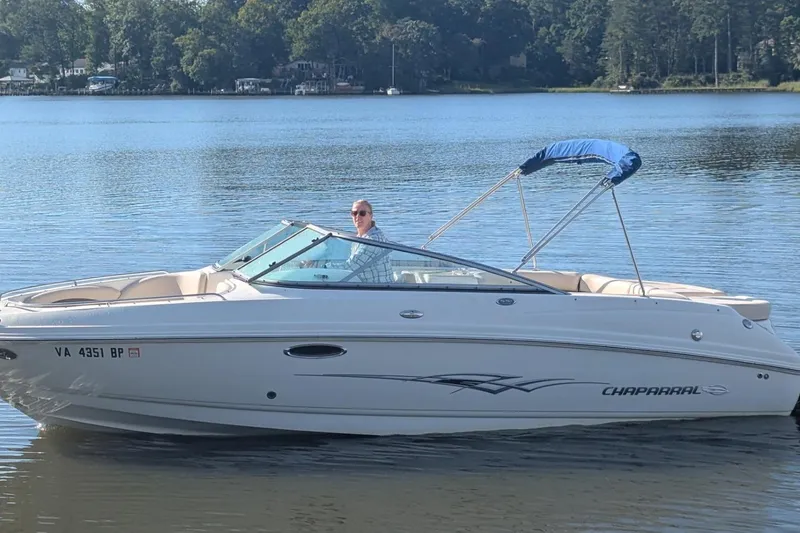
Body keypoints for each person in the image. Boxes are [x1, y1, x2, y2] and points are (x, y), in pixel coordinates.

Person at [344, 199, 393, 283]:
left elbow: (350, 266)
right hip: (366, 287)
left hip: (378, 290)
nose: (357, 216)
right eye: (354, 213)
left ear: (371, 216)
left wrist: (324, 268)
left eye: (362, 213)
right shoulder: (361, 237)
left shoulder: (373, 241)